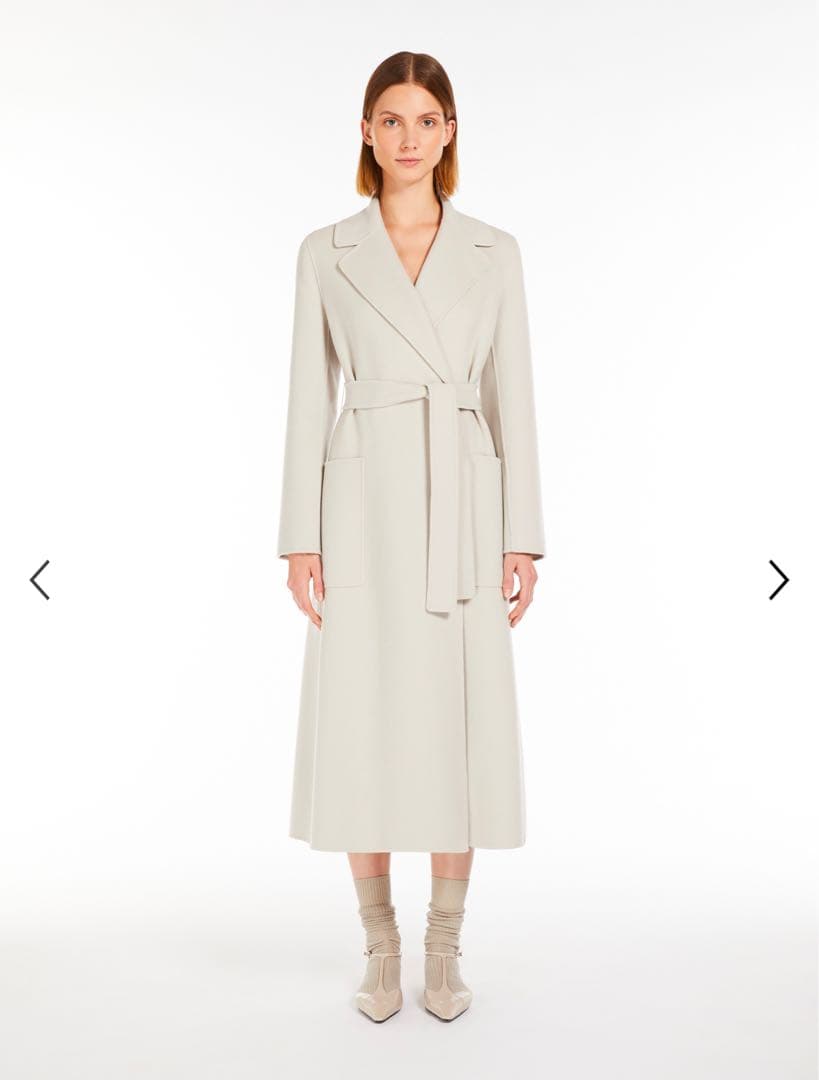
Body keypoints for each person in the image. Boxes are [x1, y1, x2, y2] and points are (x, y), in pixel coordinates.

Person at [277, 51, 546, 1023]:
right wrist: (300, 538)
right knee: (363, 719)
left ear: (449, 132)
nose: (408, 137)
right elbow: (308, 397)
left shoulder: (493, 252)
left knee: (455, 724)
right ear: (365, 131)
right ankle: (379, 944)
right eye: (390, 119)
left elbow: (512, 393)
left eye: (426, 120)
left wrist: (522, 536)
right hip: (362, 502)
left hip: (462, 497)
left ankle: (444, 944)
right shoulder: (326, 252)